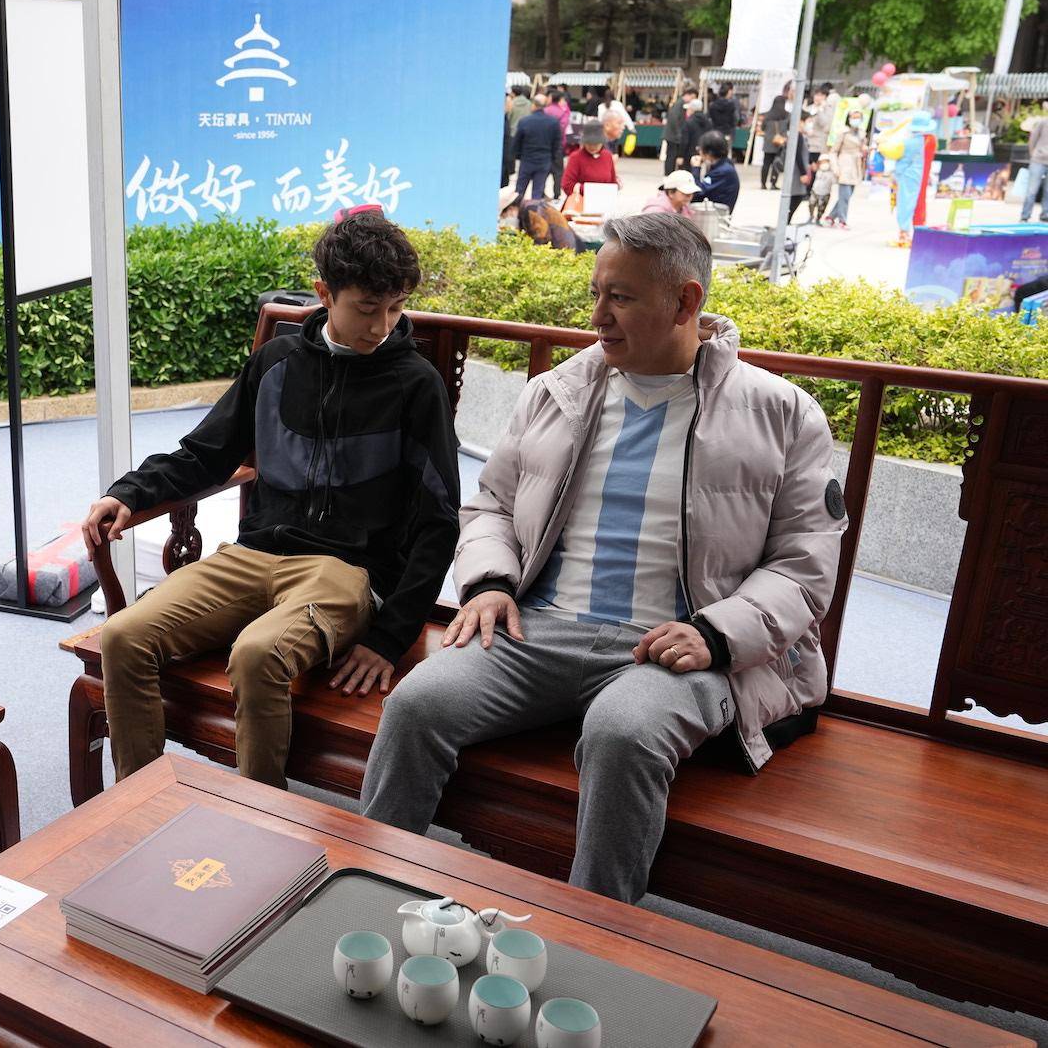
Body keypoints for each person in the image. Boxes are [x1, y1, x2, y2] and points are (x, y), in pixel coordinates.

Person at [360, 213, 845, 904]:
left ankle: (592, 938)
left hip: (673, 649)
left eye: (620, 297)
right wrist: (490, 582)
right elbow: (492, 505)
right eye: (596, 293)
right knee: (416, 704)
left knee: (622, 732)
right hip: (538, 629)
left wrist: (714, 634)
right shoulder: (556, 393)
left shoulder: (783, 414)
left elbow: (804, 565)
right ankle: (371, 897)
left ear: (685, 302)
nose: (596, 316)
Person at [82, 209, 460, 790]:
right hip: (252, 556)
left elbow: (440, 520)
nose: (382, 326)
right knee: (122, 636)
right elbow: (204, 454)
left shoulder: (416, 384)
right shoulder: (275, 364)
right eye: (367, 308)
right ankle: (145, 808)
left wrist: (390, 638)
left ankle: (260, 821)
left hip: (346, 573)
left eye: (396, 308)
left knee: (257, 654)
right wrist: (128, 494)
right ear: (324, 294)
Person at [512, 94, 562, 201]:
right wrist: (551, 157)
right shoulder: (553, 122)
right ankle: (534, 210)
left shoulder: (524, 121)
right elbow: (557, 144)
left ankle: (516, 208)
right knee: (538, 191)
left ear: (533, 105)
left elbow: (517, 142)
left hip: (527, 159)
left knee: (519, 190)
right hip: (544, 160)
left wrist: (518, 156)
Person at [499, 184, 580, 249]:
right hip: (564, 246)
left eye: (504, 216)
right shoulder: (526, 210)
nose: (505, 219)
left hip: (565, 248)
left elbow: (542, 238)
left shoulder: (531, 211)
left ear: (511, 209)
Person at [560, 122, 619, 205]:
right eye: (589, 143)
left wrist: (614, 188)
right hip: (580, 204)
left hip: (603, 204)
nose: (592, 147)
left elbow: (613, 182)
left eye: (596, 144)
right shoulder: (575, 157)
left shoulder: (607, 156)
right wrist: (591, 190)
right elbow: (566, 184)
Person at [691, 131, 740, 212]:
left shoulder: (723, 172)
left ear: (708, 153)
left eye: (700, 149)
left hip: (716, 216)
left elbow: (697, 193)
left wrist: (696, 168)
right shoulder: (723, 165)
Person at [760, 82, 792, 190]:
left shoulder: (768, 116)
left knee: (766, 164)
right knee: (776, 163)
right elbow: (789, 127)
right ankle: (773, 183)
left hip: (768, 143)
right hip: (780, 143)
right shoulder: (786, 115)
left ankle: (763, 183)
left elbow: (763, 128)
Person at [662, 86, 699, 174]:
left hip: (674, 135)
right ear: (687, 95)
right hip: (673, 136)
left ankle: (670, 173)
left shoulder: (681, 104)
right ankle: (668, 174)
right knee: (671, 156)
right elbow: (674, 120)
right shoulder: (679, 104)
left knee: (672, 156)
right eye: (692, 98)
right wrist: (679, 134)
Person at [502, 84, 533, 187]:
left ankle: (511, 171)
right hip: (526, 132)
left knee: (510, 153)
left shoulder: (512, 102)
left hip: (512, 132)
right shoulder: (529, 103)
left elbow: (509, 116)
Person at [1021, 111, 1048, 223]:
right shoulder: (1043, 122)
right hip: (1038, 160)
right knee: (1032, 190)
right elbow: (1033, 139)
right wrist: (1033, 153)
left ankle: (1045, 215)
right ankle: (1025, 216)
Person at [544, 90, 572, 198]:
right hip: (558, 145)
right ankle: (556, 194)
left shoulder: (545, 110)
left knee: (544, 169)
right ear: (560, 99)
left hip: (545, 144)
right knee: (558, 171)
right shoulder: (563, 112)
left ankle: (541, 192)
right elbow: (563, 127)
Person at [707, 84, 740, 148]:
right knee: (726, 149)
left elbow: (709, 119)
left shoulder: (712, 105)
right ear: (728, 93)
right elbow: (736, 118)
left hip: (715, 131)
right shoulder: (731, 105)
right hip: (728, 132)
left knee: (715, 149)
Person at [681, 98, 713, 164]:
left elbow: (684, 140)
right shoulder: (708, 122)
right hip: (704, 152)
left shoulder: (689, 122)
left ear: (692, 109)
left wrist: (680, 155)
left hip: (689, 154)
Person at [809, 154, 837, 224]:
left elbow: (834, 181)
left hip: (825, 193)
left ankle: (818, 219)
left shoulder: (831, 173)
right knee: (811, 203)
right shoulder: (818, 171)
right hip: (815, 191)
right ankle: (811, 216)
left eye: (825, 162)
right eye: (822, 162)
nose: (824, 164)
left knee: (821, 207)